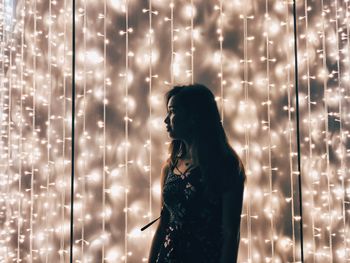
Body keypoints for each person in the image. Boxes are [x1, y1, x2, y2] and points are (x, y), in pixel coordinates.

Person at [143, 84, 246, 263]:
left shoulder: (225, 166)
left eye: (173, 112)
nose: (166, 120)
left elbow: (231, 233)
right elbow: (164, 223)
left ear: (194, 117)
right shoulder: (170, 166)